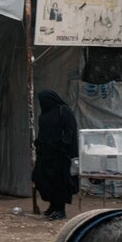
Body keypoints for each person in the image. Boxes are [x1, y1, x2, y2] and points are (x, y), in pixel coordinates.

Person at [32, 90, 78, 220]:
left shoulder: (64, 111)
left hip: (60, 155)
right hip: (46, 154)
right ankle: (52, 205)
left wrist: (62, 145)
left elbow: (70, 130)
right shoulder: (45, 114)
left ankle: (60, 209)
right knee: (41, 179)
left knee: (59, 182)